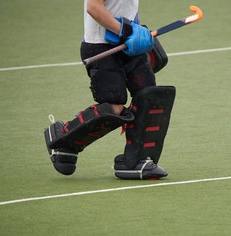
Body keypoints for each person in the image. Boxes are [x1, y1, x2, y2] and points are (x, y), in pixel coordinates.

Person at [44, 0, 175, 180]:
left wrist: (139, 31)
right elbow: (93, 7)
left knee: (149, 97)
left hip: (128, 46)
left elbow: (126, 8)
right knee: (114, 107)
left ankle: (135, 161)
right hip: (100, 46)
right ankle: (64, 141)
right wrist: (127, 31)